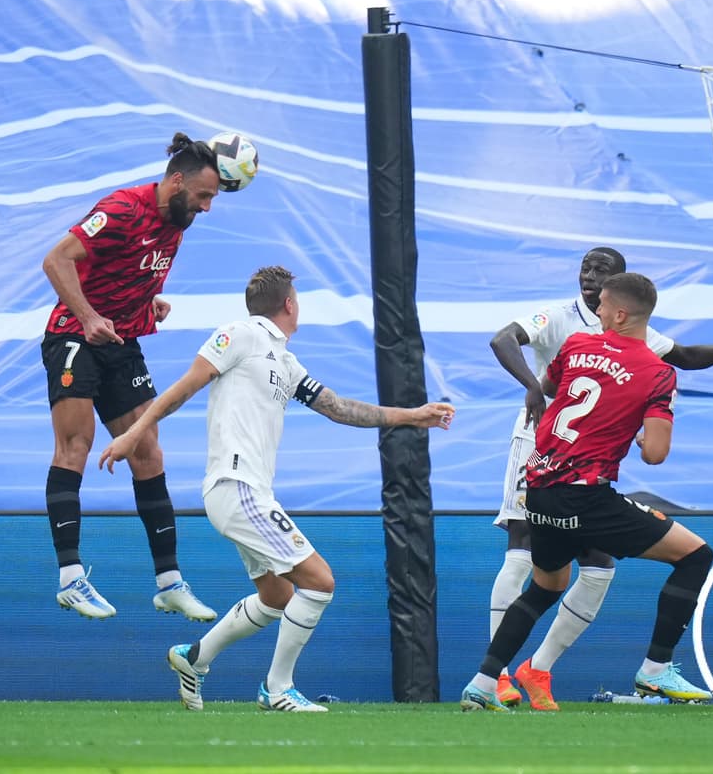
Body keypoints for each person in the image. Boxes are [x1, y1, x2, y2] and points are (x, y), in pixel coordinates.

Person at [98, 266, 455, 712]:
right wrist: (134, 434)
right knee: (320, 582)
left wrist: (413, 414)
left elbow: (339, 408)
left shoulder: (285, 361)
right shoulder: (240, 334)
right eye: (298, 299)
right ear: (289, 303)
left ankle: (194, 658)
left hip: (249, 492)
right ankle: (277, 688)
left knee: (277, 596)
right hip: (236, 485)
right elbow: (183, 388)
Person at [487, 247, 713, 710]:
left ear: (618, 286)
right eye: (585, 267)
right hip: (540, 452)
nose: (589, 276)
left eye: (601, 270)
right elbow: (503, 339)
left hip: (588, 473)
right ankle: (496, 675)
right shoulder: (561, 319)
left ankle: (537, 668)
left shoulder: (636, 332)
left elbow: (682, 356)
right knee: (522, 549)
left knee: (596, 565)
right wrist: (534, 387)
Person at [462, 272, 713, 712]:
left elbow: (549, 395)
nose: (594, 312)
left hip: (538, 488)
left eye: (601, 306)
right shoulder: (657, 372)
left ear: (618, 313)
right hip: (585, 495)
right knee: (695, 555)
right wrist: (637, 434)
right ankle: (655, 670)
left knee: (546, 585)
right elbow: (655, 454)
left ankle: (485, 682)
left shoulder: (575, 346)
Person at [42, 131, 223, 621]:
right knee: (75, 447)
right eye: (204, 195)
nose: (208, 207)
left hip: (121, 343)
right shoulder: (122, 209)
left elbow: (127, 273)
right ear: (177, 181)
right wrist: (86, 318)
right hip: (74, 338)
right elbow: (56, 260)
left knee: (147, 449)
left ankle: (169, 582)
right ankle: (70, 578)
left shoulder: (177, 224)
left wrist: (149, 302)